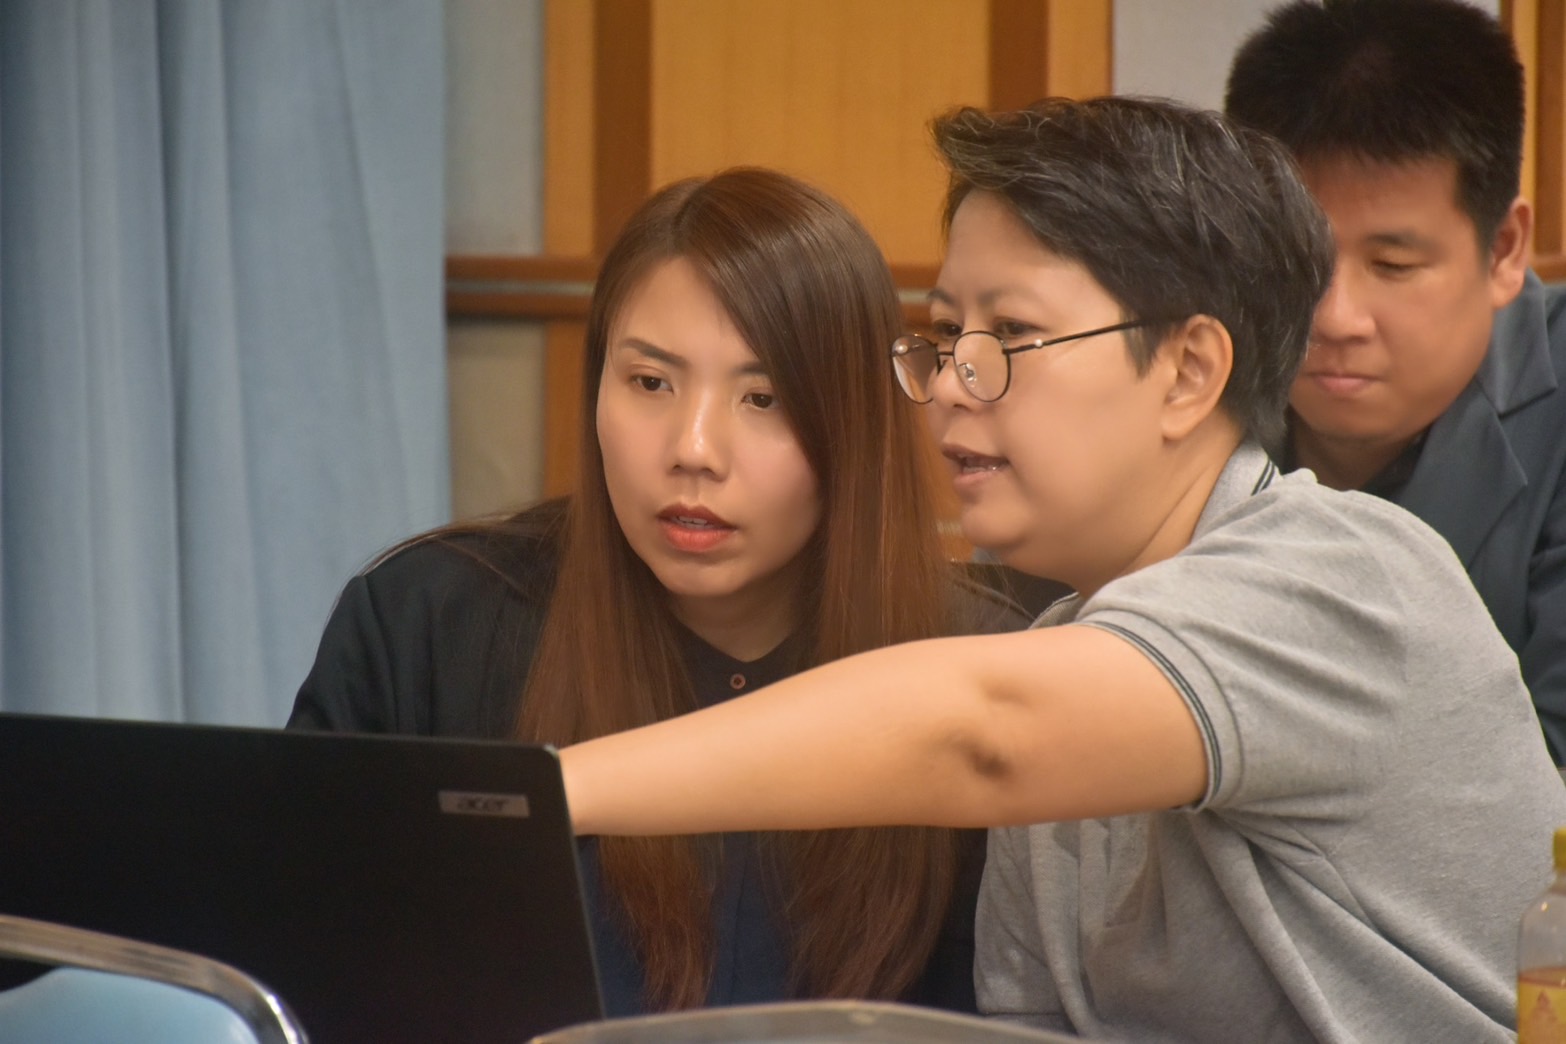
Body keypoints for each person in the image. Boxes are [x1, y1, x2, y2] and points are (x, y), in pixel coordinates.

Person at [558, 98, 1566, 1041]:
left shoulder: (1346, 577)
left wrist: (557, 788)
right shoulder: (1063, 651)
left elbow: (982, 730)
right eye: (947, 334)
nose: (954, 385)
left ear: (1188, 372)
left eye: (1012, 335)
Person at [287, 168, 1026, 1016]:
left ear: (853, 426)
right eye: (650, 383)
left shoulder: (985, 667)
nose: (694, 449)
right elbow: (299, 973)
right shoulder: (427, 621)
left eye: (763, 397)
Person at [1225, 0, 1566, 761]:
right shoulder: (1182, 375)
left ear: (1504, 250)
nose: (1335, 318)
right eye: (1297, 262)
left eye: (1393, 265)